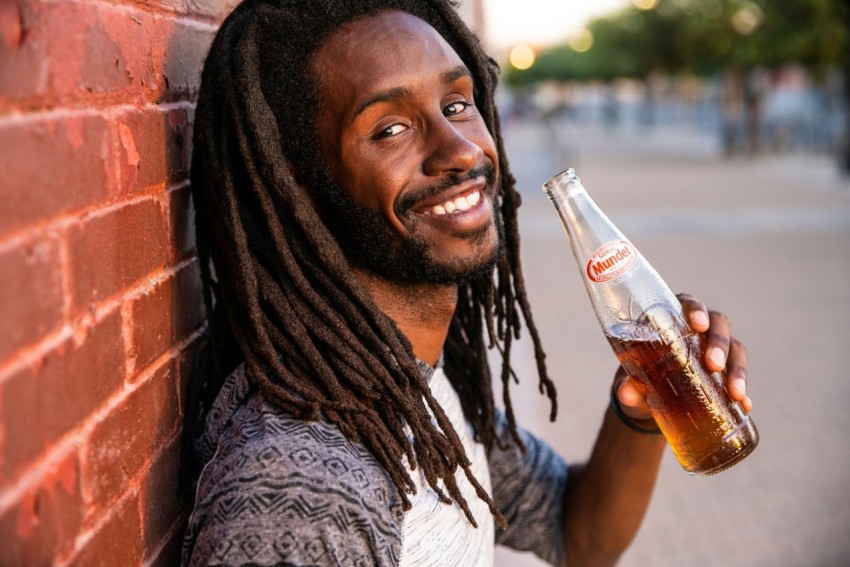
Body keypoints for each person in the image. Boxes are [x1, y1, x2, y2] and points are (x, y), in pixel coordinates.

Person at [180, 1, 753, 565]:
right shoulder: (300, 496)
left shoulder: (412, 382)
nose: (460, 151)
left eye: (457, 104)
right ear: (296, 185)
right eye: (391, 128)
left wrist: (643, 404)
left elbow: (573, 532)